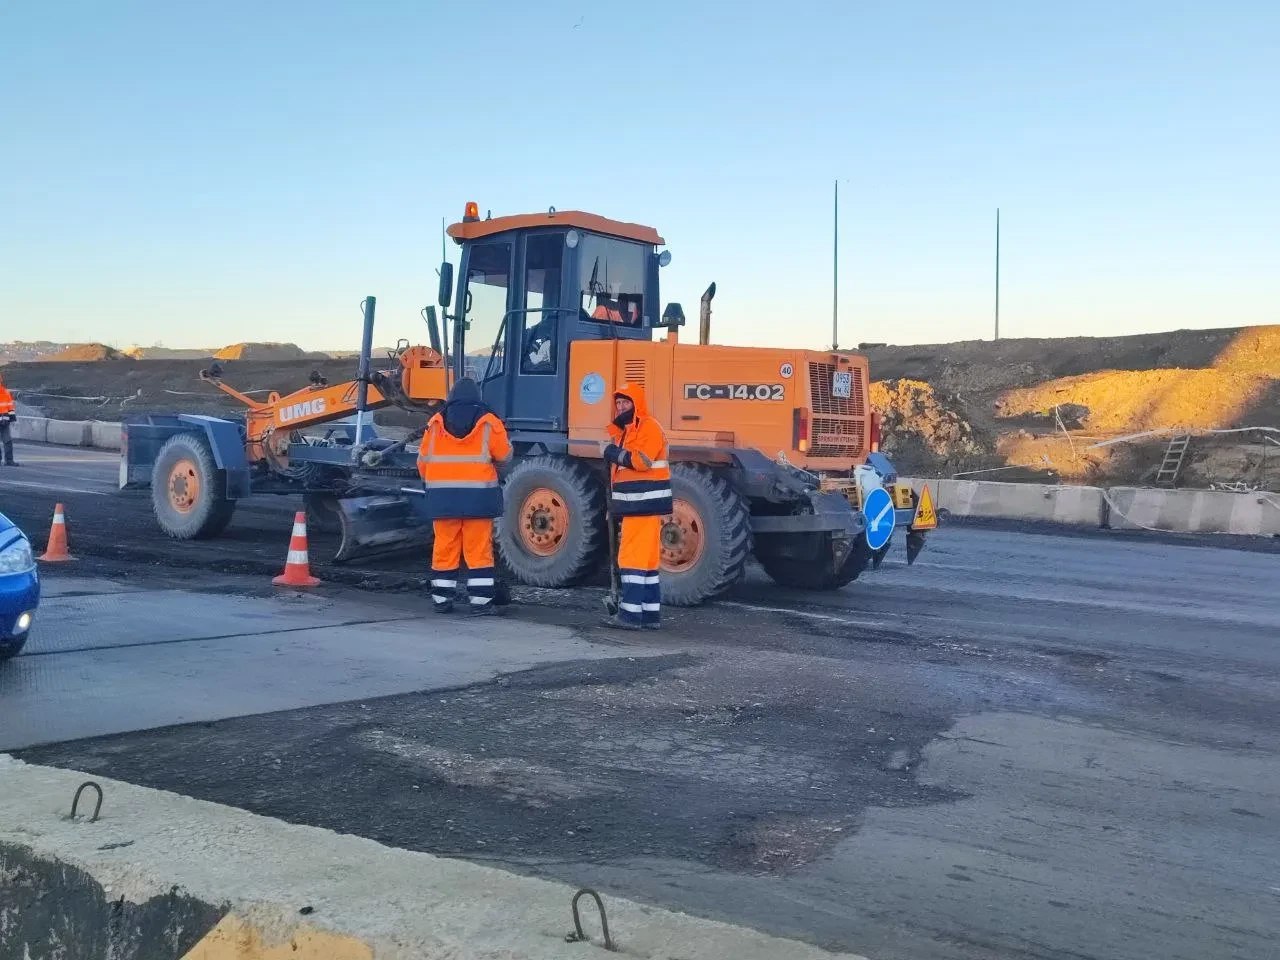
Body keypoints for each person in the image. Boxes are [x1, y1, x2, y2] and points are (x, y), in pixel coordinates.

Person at [417, 378, 512, 615]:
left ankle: (441, 600)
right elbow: (505, 455)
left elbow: (422, 462)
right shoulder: (490, 421)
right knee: (478, 550)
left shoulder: (435, 422)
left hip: (442, 499)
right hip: (478, 498)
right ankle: (480, 603)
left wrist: (435, 483)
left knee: (444, 548)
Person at [600, 383, 670, 630]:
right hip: (636, 505)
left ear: (636, 404)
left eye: (625, 403)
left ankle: (630, 615)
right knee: (647, 563)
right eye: (618, 403)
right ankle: (649, 616)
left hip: (643, 505)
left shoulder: (648, 427)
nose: (620, 407)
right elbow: (617, 475)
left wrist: (613, 454)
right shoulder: (624, 432)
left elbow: (641, 461)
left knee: (631, 558)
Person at [0, 374, 18, 467]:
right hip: (3, 419)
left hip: (5, 421)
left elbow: (10, 406)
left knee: (7, 440)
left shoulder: (5, 392)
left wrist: (12, 418)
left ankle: (9, 460)